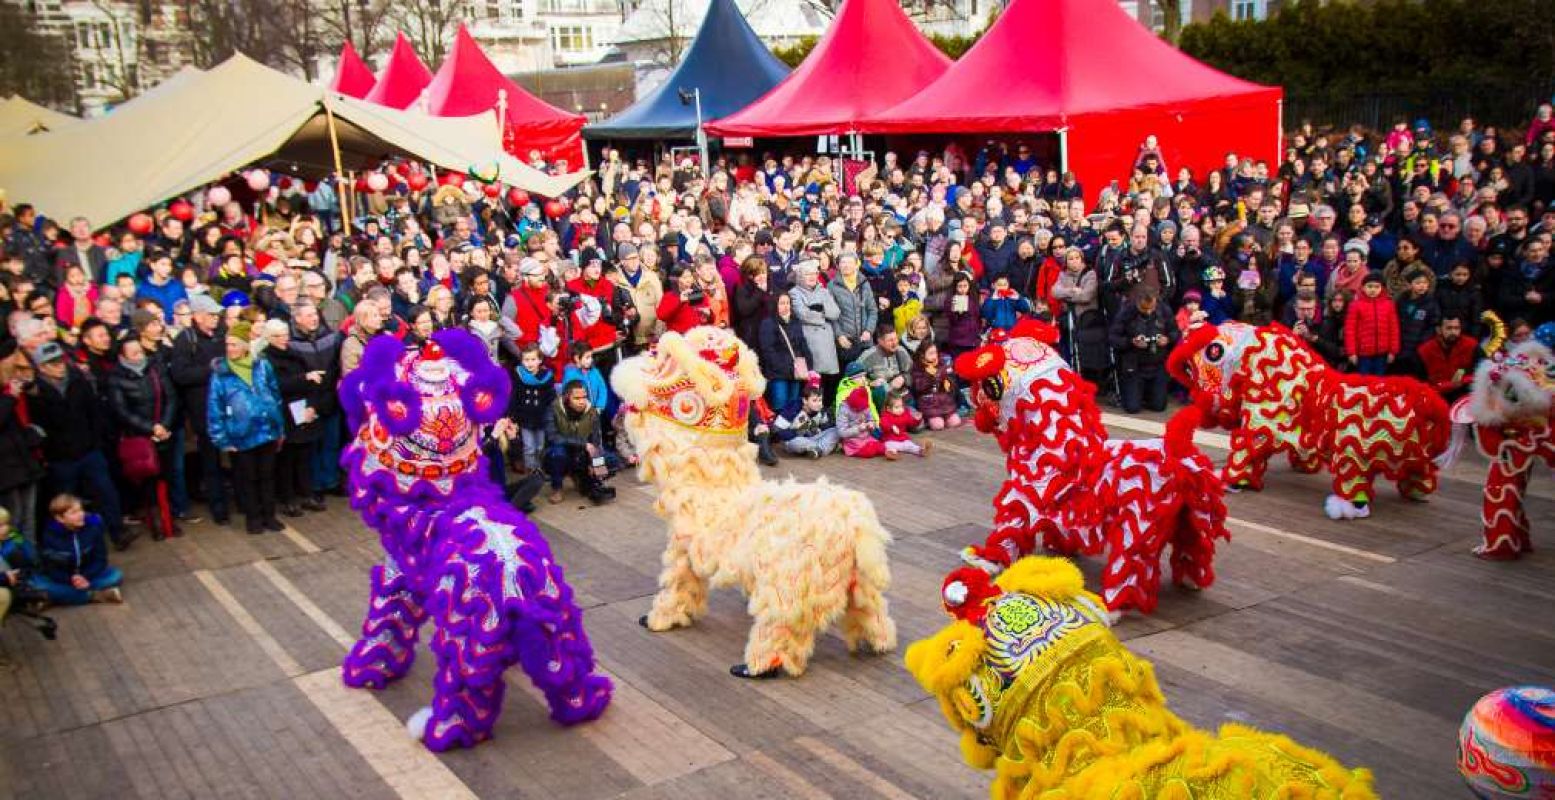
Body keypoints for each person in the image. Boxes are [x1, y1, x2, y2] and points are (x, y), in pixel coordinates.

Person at [28, 340, 134, 549]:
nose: (59, 366)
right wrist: (49, 454)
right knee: (67, 503)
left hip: (89, 451)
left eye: (60, 361)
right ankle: (72, 543)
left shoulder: (79, 380)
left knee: (106, 492)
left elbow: (94, 413)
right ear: (41, 367)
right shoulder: (35, 393)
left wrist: (95, 441)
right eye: (52, 363)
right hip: (60, 459)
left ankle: (118, 533)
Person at [207, 320, 286, 535]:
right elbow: (215, 408)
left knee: (268, 476)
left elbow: (275, 394)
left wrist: (279, 426)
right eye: (228, 344)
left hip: (267, 430)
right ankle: (254, 518)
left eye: (234, 344)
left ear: (245, 345)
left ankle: (269, 515)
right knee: (248, 478)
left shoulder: (262, 365)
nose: (230, 348)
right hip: (241, 433)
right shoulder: (220, 373)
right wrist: (221, 438)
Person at [107, 337, 181, 540]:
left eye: (140, 351)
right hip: (139, 437)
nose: (140, 356)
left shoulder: (155, 368)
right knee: (148, 480)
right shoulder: (116, 378)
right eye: (134, 353)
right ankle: (156, 521)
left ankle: (168, 519)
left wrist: (164, 425)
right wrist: (151, 428)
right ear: (123, 357)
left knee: (167, 475)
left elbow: (171, 397)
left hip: (163, 431)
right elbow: (121, 411)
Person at [169, 293, 229, 524]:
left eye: (216, 315)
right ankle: (218, 507)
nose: (215, 319)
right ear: (197, 316)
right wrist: (210, 369)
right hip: (202, 409)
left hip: (226, 406)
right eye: (210, 315)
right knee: (211, 461)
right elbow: (180, 374)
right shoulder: (186, 340)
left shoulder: (221, 335)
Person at [263, 319, 328, 517]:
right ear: (268, 338)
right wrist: (303, 379)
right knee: (286, 459)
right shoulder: (266, 360)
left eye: (285, 334)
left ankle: (306, 494)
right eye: (278, 336)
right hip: (284, 412)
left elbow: (313, 380)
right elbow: (276, 386)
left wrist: (312, 406)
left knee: (304, 456)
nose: (284, 339)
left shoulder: (295, 354)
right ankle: (288, 498)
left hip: (303, 409)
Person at [34, 494, 123, 605]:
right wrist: (71, 579)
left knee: (115, 576)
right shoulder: (50, 536)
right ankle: (93, 595)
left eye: (81, 510)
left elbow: (101, 559)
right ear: (60, 518)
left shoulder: (93, 527)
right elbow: (50, 567)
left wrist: (85, 577)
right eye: (74, 513)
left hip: (87, 575)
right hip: (64, 579)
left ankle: (57, 597)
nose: (81, 515)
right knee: (38, 583)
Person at [543, 379, 614, 505]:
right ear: (566, 397)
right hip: (558, 452)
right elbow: (553, 437)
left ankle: (586, 478)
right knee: (558, 453)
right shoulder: (553, 409)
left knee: (610, 459)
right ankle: (557, 488)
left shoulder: (592, 412)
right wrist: (584, 444)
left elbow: (596, 441)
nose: (582, 401)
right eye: (577, 398)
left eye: (584, 397)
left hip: (581, 453)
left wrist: (596, 466)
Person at [1109, 288, 1177, 414]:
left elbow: (1175, 332)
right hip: (1134, 364)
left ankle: (1148, 394)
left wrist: (1167, 339)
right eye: (1144, 309)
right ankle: (1135, 393)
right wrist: (1131, 341)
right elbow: (1113, 338)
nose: (1149, 311)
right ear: (1137, 303)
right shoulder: (1126, 311)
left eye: (1151, 308)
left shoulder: (1164, 309)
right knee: (1132, 408)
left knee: (1159, 406)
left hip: (1158, 362)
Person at [788, 260, 842, 399]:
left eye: (814, 273)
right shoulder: (794, 293)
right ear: (800, 276)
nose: (812, 277)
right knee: (812, 381)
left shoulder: (824, 291)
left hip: (827, 344)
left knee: (828, 381)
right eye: (808, 274)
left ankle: (826, 409)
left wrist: (820, 309)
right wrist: (824, 315)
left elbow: (835, 313)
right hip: (810, 341)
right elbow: (803, 314)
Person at [757, 292, 812, 414]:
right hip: (778, 374)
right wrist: (784, 367)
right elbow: (768, 350)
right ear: (775, 305)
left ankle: (791, 431)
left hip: (796, 372)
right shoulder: (768, 323)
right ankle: (778, 431)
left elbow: (803, 345)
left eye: (788, 303)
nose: (786, 306)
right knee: (780, 405)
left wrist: (809, 365)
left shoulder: (795, 322)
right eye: (782, 303)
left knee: (793, 405)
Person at [507, 344, 554, 476]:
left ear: (540, 360)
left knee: (540, 446)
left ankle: (539, 468)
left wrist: (551, 416)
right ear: (522, 361)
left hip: (541, 418)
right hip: (525, 417)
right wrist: (512, 415)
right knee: (529, 447)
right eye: (526, 360)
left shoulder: (547, 377)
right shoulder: (518, 375)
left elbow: (551, 399)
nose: (530, 363)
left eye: (533, 359)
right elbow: (514, 396)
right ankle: (530, 470)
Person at [1345, 272, 1401, 376]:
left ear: (1382, 288)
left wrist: (1393, 351)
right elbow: (1350, 330)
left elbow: (1394, 329)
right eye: (1369, 286)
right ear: (1363, 288)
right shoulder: (1355, 305)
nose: (1373, 290)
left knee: (1379, 381)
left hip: (1382, 353)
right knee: (1363, 381)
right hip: (1363, 353)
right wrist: (1351, 352)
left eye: (1376, 287)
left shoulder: (1389, 304)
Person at [1393, 267, 1440, 378]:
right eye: (1418, 283)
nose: (1422, 286)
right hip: (1401, 346)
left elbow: (1433, 325)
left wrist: (1422, 344)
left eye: (1424, 283)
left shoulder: (1431, 303)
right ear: (1410, 285)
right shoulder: (1402, 301)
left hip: (1419, 348)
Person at [1418, 315, 1478, 401]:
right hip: (1436, 397)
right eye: (1449, 328)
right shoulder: (1425, 351)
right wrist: (1449, 385)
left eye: (1456, 328)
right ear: (1438, 330)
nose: (1453, 332)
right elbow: (1420, 383)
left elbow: (1480, 374)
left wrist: (1463, 381)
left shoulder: (1471, 346)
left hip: (1464, 396)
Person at [772, 386, 839, 458]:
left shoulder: (821, 410)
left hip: (813, 438)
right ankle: (822, 448)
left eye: (820, 400)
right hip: (795, 440)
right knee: (797, 443)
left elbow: (826, 428)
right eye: (814, 400)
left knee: (837, 430)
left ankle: (815, 450)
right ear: (805, 400)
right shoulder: (792, 410)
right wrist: (796, 433)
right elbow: (777, 430)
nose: (818, 403)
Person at [856, 326, 914, 408]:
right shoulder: (868, 355)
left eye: (895, 339)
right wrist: (870, 383)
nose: (894, 343)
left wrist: (904, 378)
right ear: (880, 341)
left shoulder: (901, 351)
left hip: (902, 396)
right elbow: (853, 378)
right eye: (890, 340)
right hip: (881, 399)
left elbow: (914, 372)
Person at [909, 342, 961, 430]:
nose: (934, 356)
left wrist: (948, 382)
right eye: (930, 353)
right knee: (938, 425)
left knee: (955, 422)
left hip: (944, 401)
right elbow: (918, 387)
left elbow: (952, 380)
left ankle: (944, 417)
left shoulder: (942, 364)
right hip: (928, 403)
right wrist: (931, 378)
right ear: (922, 355)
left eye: (935, 352)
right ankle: (926, 420)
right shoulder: (918, 367)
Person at [836, 383, 887, 459]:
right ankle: (869, 448)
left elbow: (871, 419)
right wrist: (858, 428)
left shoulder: (865, 406)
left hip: (866, 437)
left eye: (862, 408)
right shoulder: (844, 410)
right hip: (852, 441)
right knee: (869, 452)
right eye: (858, 409)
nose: (861, 410)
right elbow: (841, 432)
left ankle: (887, 451)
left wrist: (871, 424)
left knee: (882, 447)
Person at [943, 271, 983, 359]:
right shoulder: (951, 300)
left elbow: (977, 317)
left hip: (973, 339)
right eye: (960, 286)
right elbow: (951, 320)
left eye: (965, 286)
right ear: (955, 287)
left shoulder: (973, 298)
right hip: (958, 341)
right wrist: (956, 313)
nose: (963, 289)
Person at [878, 391, 929, 459]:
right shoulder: (885, 416)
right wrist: (892, 427)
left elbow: (911, 423)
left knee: (910, 445)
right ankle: (892, 453)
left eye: (901, 406)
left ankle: (921, 450)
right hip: (890, 439)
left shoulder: (905, 413)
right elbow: (883, 424)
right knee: (888, 445)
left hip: (903, 439)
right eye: (897, 407)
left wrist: (917, 420)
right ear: (889, 409)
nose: (900, 409)